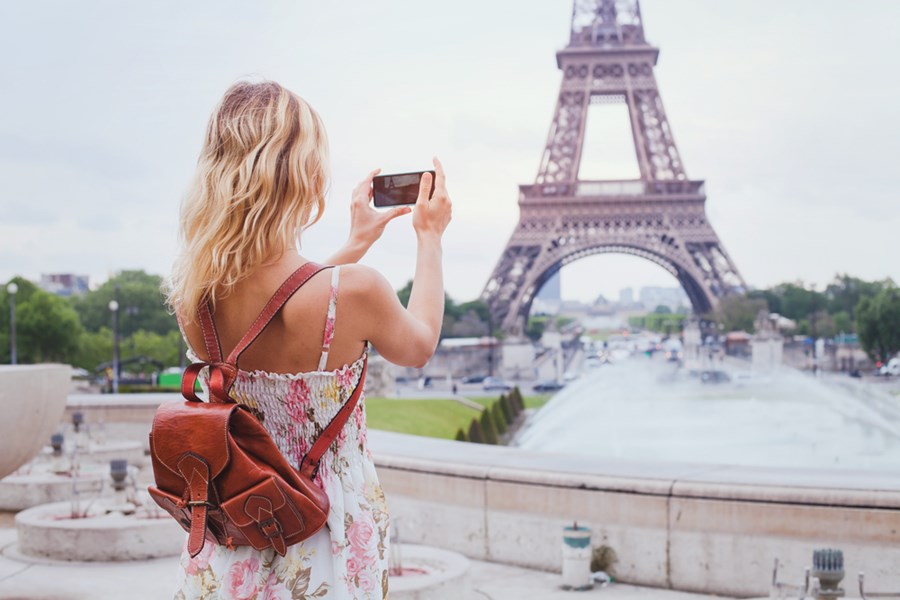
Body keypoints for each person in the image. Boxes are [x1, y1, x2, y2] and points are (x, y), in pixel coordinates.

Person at [164, 80, 451, 599]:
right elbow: (420, 344)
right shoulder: (356, 292)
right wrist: (429, 237)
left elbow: (277, 309)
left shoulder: (195, 296)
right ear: (306, 175)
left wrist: (355, 243)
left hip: (231, 533)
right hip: (323, 534)